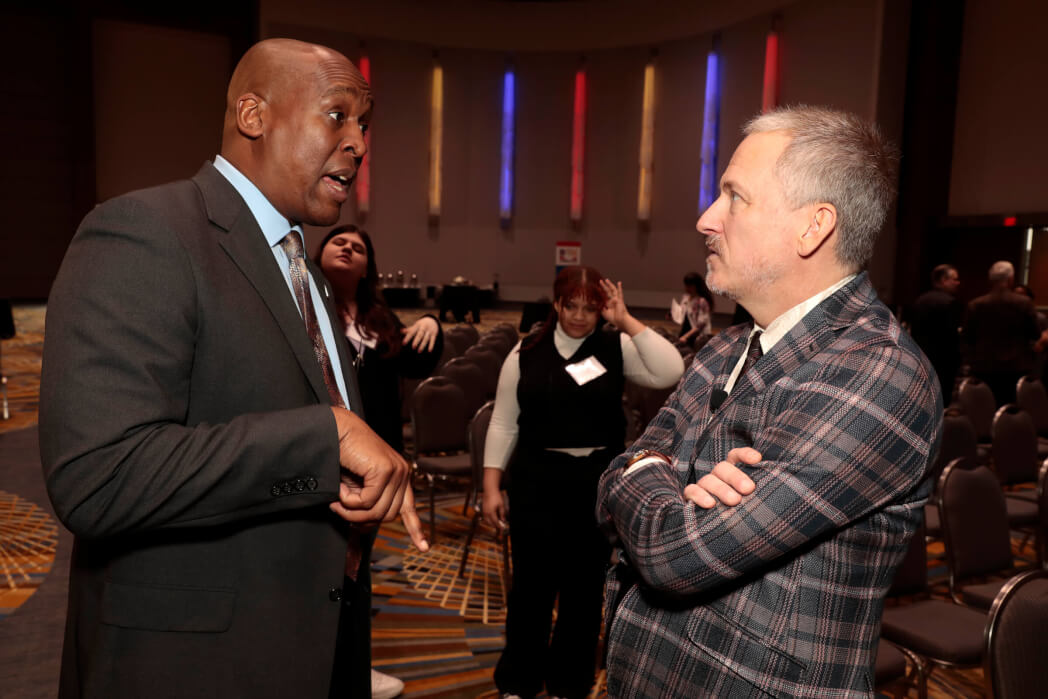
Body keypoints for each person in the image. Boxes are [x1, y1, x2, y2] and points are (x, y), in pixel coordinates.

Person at [39, 39, 427, 699]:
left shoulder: (305, 269)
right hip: (191, 666)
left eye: (365, 125)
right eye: (338, 116)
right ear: (254, 115)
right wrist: (323, 438)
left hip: (314, 642)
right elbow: (97, 475)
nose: (359, 144)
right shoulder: (144, 231)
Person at [597, 106, 942, 697]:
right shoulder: (725, 346)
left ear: (814, 227)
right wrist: (654, 471)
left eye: (735, 197)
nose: (707, 219)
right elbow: (610, 482)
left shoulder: (882, 372)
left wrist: (648, 469)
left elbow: (671, 554)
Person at [481, 266, 684, 699]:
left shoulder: (615, 346)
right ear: (556, 304)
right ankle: (518, 681)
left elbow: (670, 370)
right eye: (570, 306)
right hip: (536, 479)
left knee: (584, 589)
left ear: (600, 311)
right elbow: (503, 422)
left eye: (589, 308)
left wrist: (625, 320)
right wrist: (491, 485)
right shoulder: (524, 352)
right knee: (531, 589)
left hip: (594, 483)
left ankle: (569, 683)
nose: (578, 316)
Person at [316, 224, 444, 699]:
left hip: (374, 465)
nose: (348, 249)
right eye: (339, 242)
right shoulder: (304, 306)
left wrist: (431, 324)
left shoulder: (377, 318)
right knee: (318, 569)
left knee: (356, 572)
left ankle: (353, 668)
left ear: (368, 265)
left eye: (359, 247)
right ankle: (317, 671)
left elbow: (417, 363)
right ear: (319, 252)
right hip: (320, 457)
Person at [962, 260, 1040, 406]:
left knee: (984, 407)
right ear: (1010, 279)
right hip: (1016, 366)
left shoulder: (976, 304)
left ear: (990, 280)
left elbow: (967, 336)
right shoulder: (1024, 303)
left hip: (984, 365)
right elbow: (1035, 334)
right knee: (1010, 409)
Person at [907, 263, 963, 403]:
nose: (958, 283)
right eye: (955, 279)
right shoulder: (949, 302)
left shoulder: (920, 300)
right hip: (943, 362)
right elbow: (952, 338)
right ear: (944, 280)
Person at [676, 271, 714, 349]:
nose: (687, 288)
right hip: (685, 332)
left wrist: (686, 336)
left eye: (690, 286)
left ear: (696, 286)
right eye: (686, 285)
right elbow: (683, 315)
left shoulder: (701, 301)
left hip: (697, 336)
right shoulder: (685, 298)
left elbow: (700, 325)